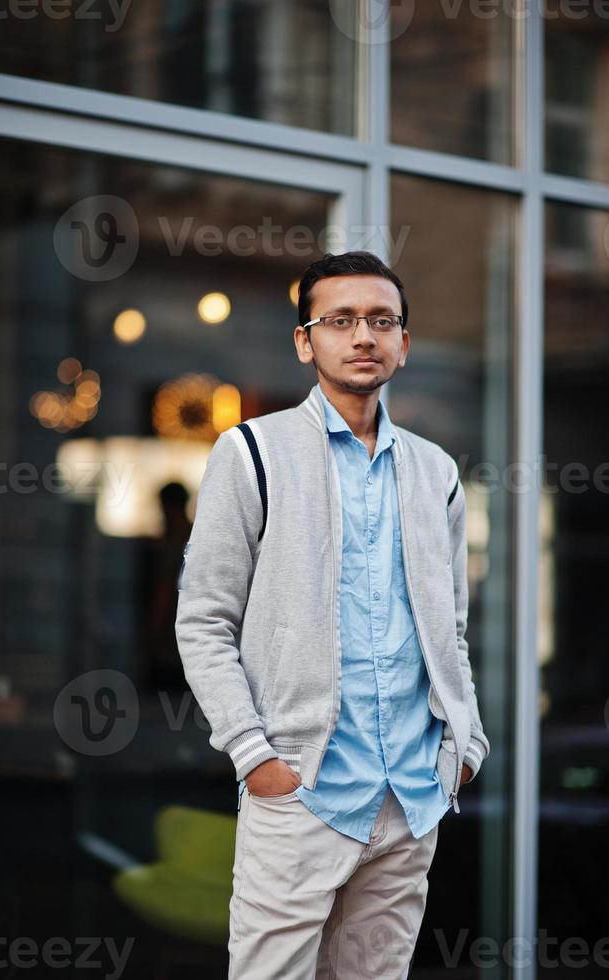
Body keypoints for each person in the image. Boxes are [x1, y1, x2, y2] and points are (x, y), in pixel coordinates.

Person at [175, 250, 490, 979]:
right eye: (339, 320)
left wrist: (462, 745)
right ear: (304, 341)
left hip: (412, 793)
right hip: (303, 787)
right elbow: (203, 619)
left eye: (382, 321)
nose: (363, 337)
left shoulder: (436, 472)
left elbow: (452, 632)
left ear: (404, 344)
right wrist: (255, 757)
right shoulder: (253, 451)